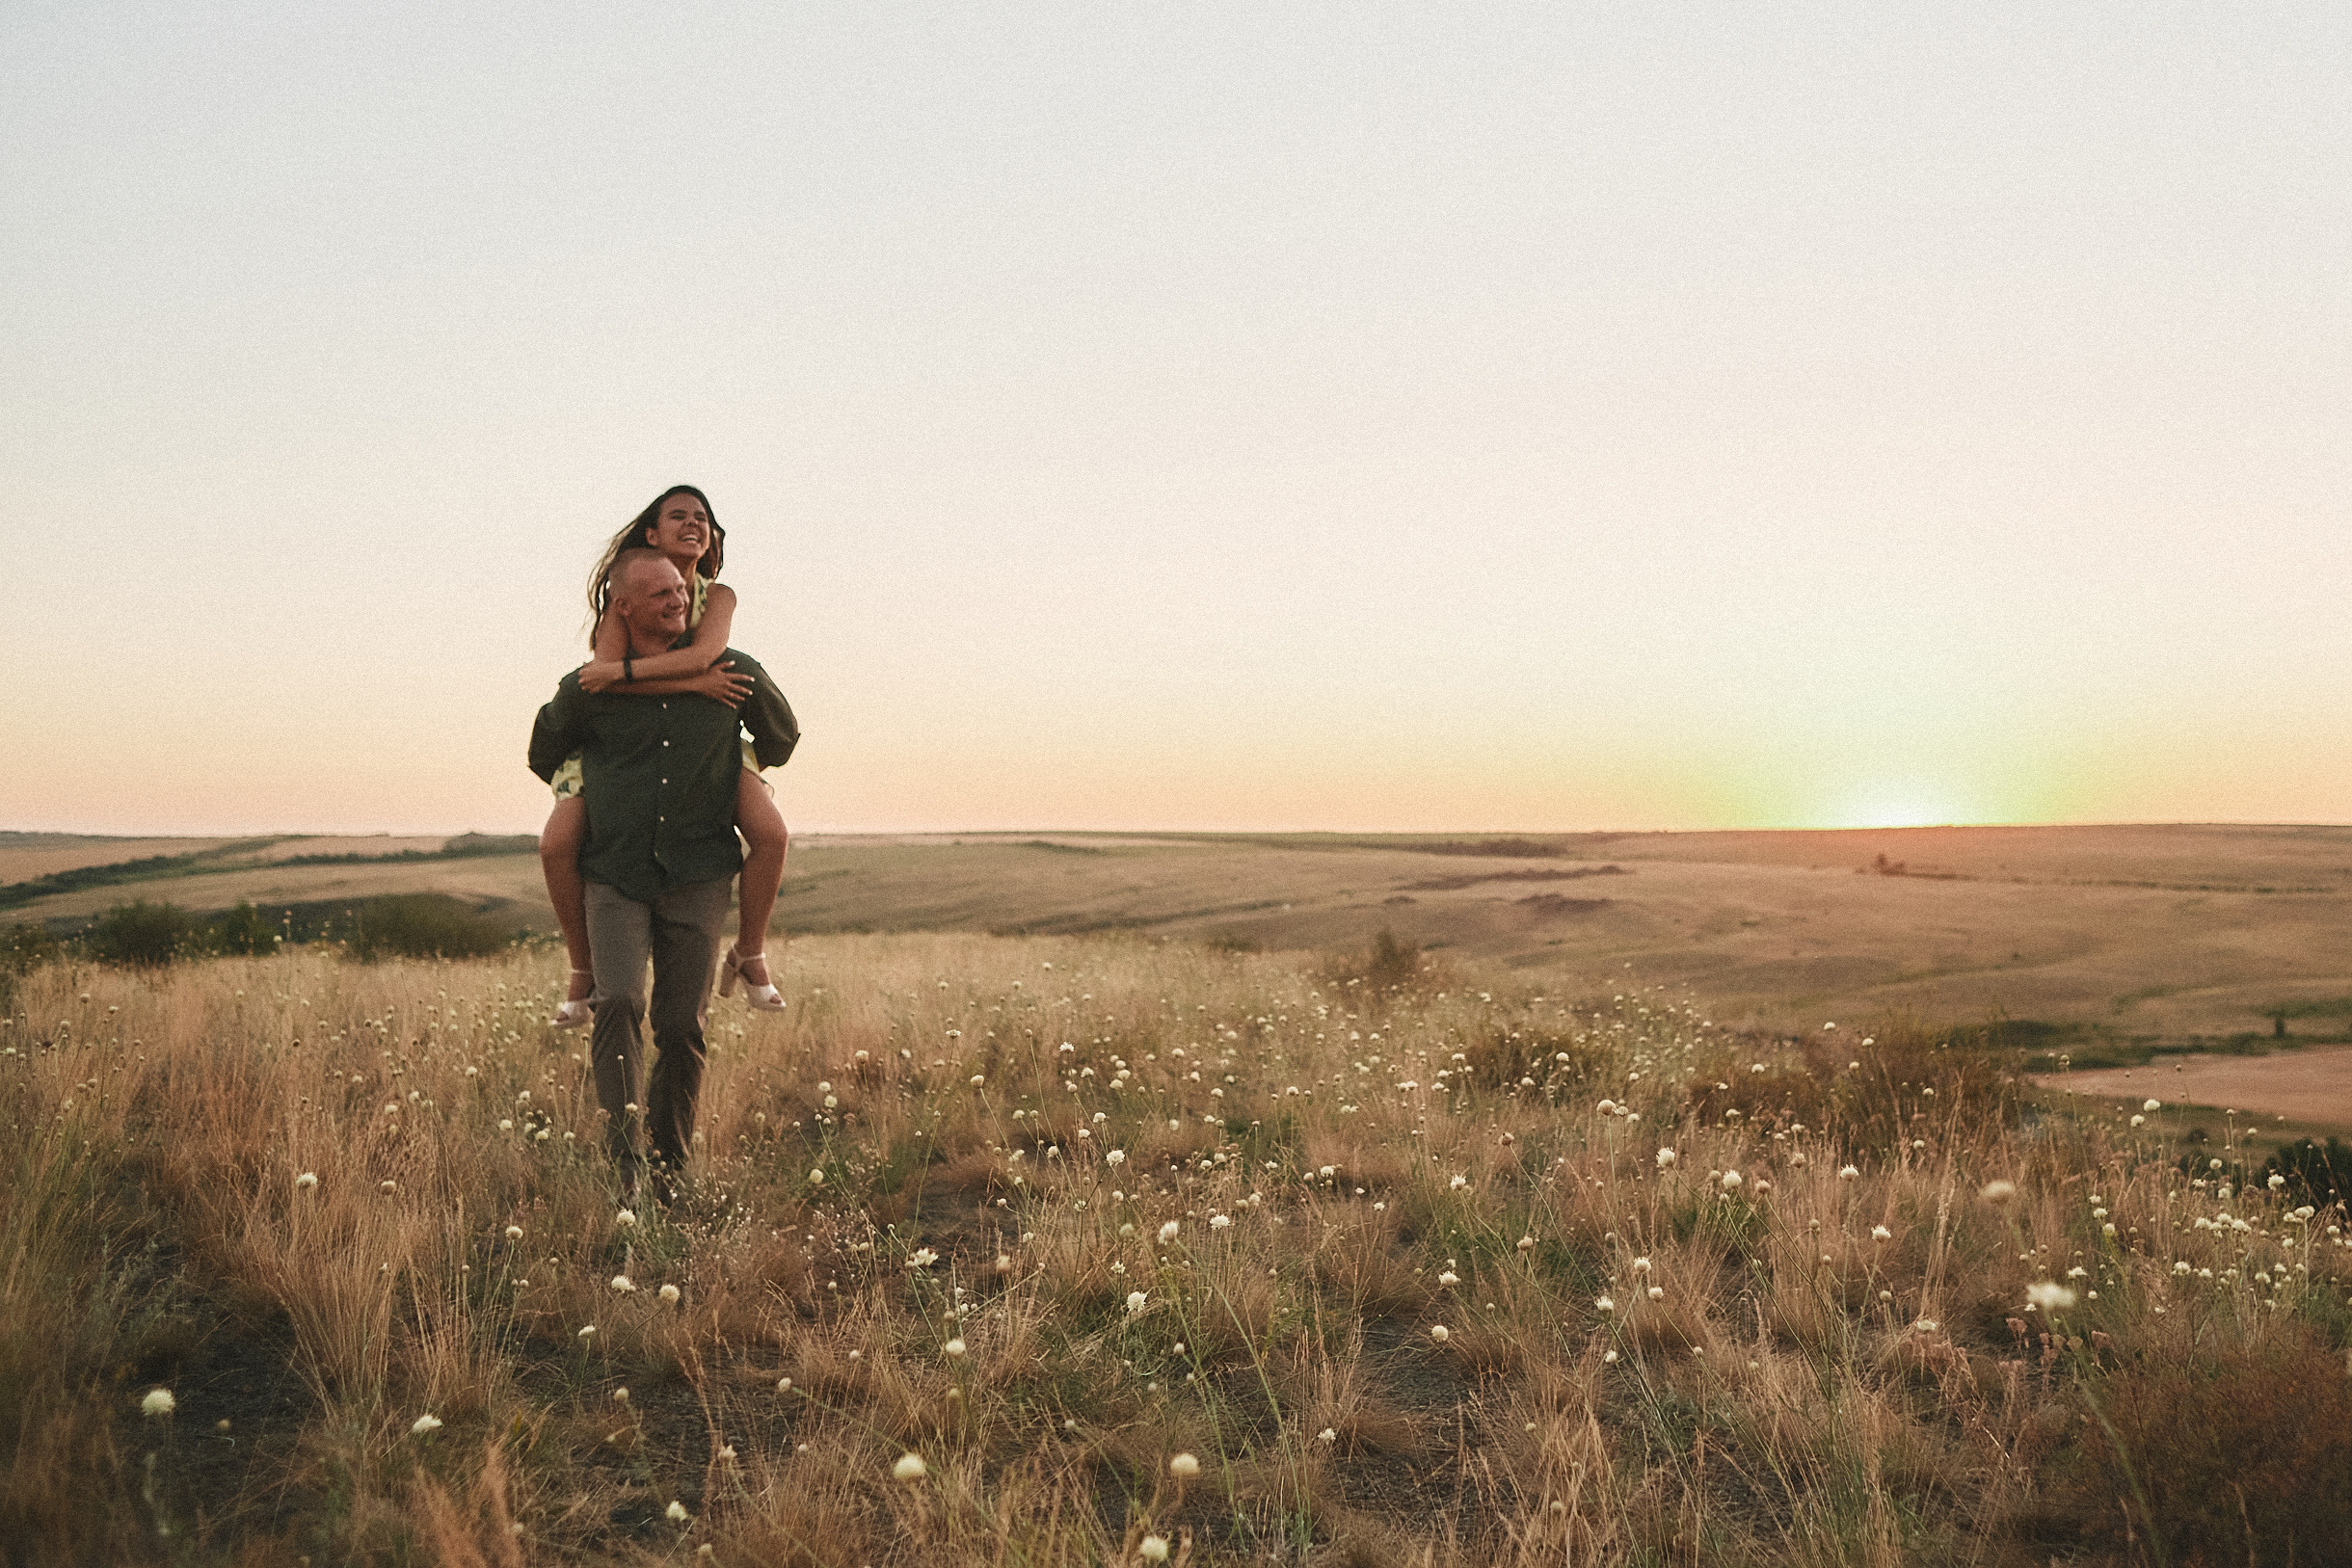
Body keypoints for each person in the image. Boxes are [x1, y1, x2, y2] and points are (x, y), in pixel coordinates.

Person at [528, 548, 799, 1201]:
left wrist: (742, 772)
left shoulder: (735, 673)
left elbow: (783, 738)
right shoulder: (590, 686)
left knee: (682, 1025)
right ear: (623, 606)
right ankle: (627, 1168)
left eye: (680, 588)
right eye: (658, 594)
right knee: (617, 1000)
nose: (677, 600)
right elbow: (543, 751)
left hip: (699, 869)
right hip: (615, 868)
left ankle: (670, 1161)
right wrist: (594, 790)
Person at [540, 486, 793, 1026]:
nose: (693, 523)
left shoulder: (717, 596)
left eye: (702, 516)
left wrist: (704, 697)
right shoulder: (622, 598)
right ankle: (581, 970)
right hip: (620, 743)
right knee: (557, 841)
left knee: (771, 834)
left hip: (704, 740)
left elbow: (707, 655)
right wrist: (692, 688)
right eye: (678, 515)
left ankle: (751, 952)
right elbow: (600, 682)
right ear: (650, 533)